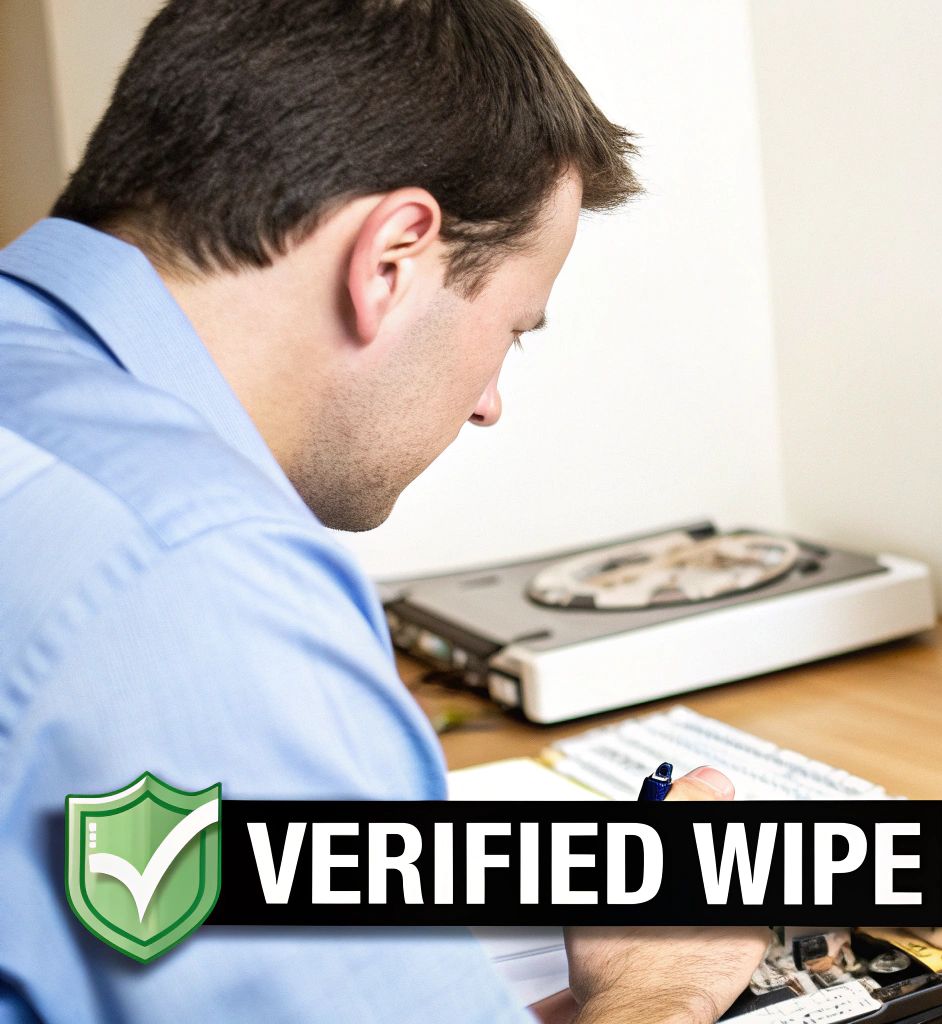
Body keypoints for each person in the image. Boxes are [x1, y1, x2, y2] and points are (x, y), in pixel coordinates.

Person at [0, 1, 767, 1021]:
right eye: (512, 328)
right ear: (393, 257)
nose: (491, 398)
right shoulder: (193, 579)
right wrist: (655, 983)